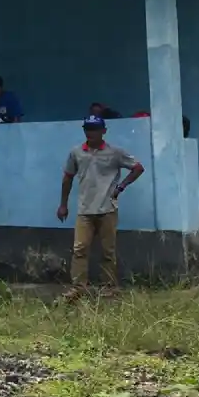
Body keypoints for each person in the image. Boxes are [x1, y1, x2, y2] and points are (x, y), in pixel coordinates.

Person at [56, 115, 146, 297]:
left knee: (108, 251)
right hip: (84, 210)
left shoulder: (115, 153)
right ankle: (78, 288)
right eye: (87, 129)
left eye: (95, 129)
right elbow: (67, 178)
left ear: (103, 131)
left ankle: (109, 287)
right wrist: (63, 205)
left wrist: (121, 187)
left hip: (107, 209)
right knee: (80, 249)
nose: (90, 133)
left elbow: (138, 168)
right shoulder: (76, 153)